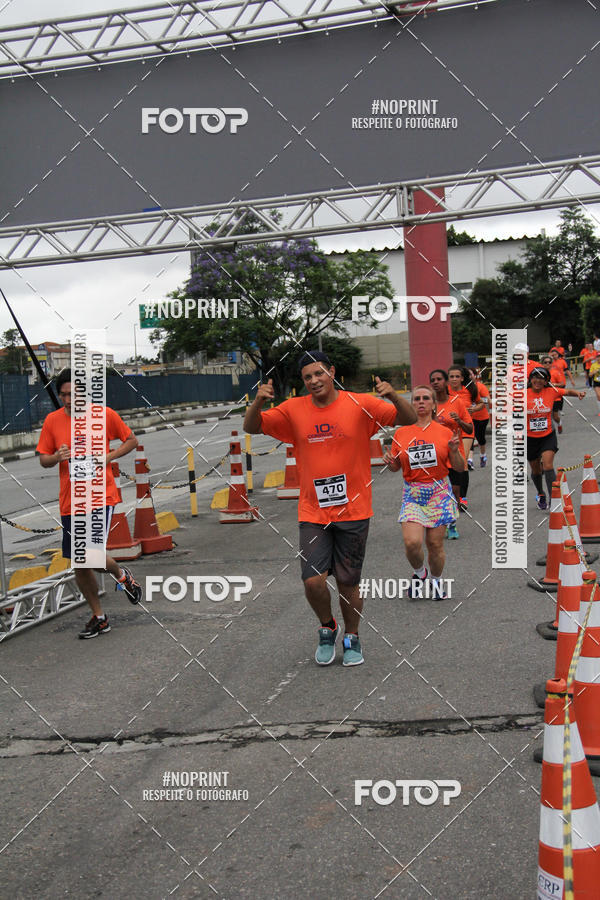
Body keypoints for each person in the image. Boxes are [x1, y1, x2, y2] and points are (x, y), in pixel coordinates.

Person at [243, 350, 416, 667]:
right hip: (313, 512)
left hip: (354, 510)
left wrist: (392, 394)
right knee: (312, 580)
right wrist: (258, 401)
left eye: (319, 373)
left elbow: (408, 419)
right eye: (307, 377)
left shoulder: (360, 403)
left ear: (332, 372)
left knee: (348, 583)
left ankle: (352, 636)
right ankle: (327, 626)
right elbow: (252, 427)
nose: (314, 381)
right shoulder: (293, 409)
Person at [36, 369, 143, 638]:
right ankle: (99, 617)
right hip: (70, 502)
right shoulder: (52, 421)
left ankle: (121, 575)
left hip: (99, 497)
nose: (69, 400)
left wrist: (109, 457)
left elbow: (131, 440)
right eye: (63, 395)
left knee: (91, 555)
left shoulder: (104, 415)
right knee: (79, 563)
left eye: (74, 394)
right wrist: (57, 456)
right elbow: (43, 459)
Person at [383, 385, 463, 601]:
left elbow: (459, 467)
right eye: (416, 398)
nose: (421, 402)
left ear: (433, 404)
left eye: (425, 398)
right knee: (412, 543)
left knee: (435, 545)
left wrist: (454, 451)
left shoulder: (445, 432)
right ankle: (420, 574)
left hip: (438, 491)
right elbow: (396, 466)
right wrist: (390, 462)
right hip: (413, 493)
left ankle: (436, 582)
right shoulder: (402, 433)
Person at [526, 366, 586, 510]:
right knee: (536, 471)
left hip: (547, 435)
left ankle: (554, 499)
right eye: (535, 377)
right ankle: (541, 493)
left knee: (547, 465)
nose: (538, 381)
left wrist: (578, 393)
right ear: (531, 379)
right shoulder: (522, 394)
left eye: (541, 378)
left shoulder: (551, 391)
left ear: (546, 381)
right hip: (529, 438)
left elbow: (567, 391)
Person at [429, 368, 473, 538]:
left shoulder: (457, 402)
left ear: (446, 382)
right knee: (438, 491)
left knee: (455, 489)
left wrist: (459, 420)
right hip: (435, 454)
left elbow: (469, 427)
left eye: (439, 379)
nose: (435, 382)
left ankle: (452, 523)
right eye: (433, 379)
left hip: (455, 452)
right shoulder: (429, 404)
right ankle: (440, 521)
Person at [466, 366, 490, 468]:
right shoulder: (463, 388)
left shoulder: (480, 387)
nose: (469, 376)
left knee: (480, 438)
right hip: (468, 418)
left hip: (481, 417)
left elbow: (487, 400)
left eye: (471, 374)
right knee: (470, 437)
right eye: (467, 375)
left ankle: (483, 455)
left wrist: (475, 405)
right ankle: (470, 460)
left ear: (475, 376)